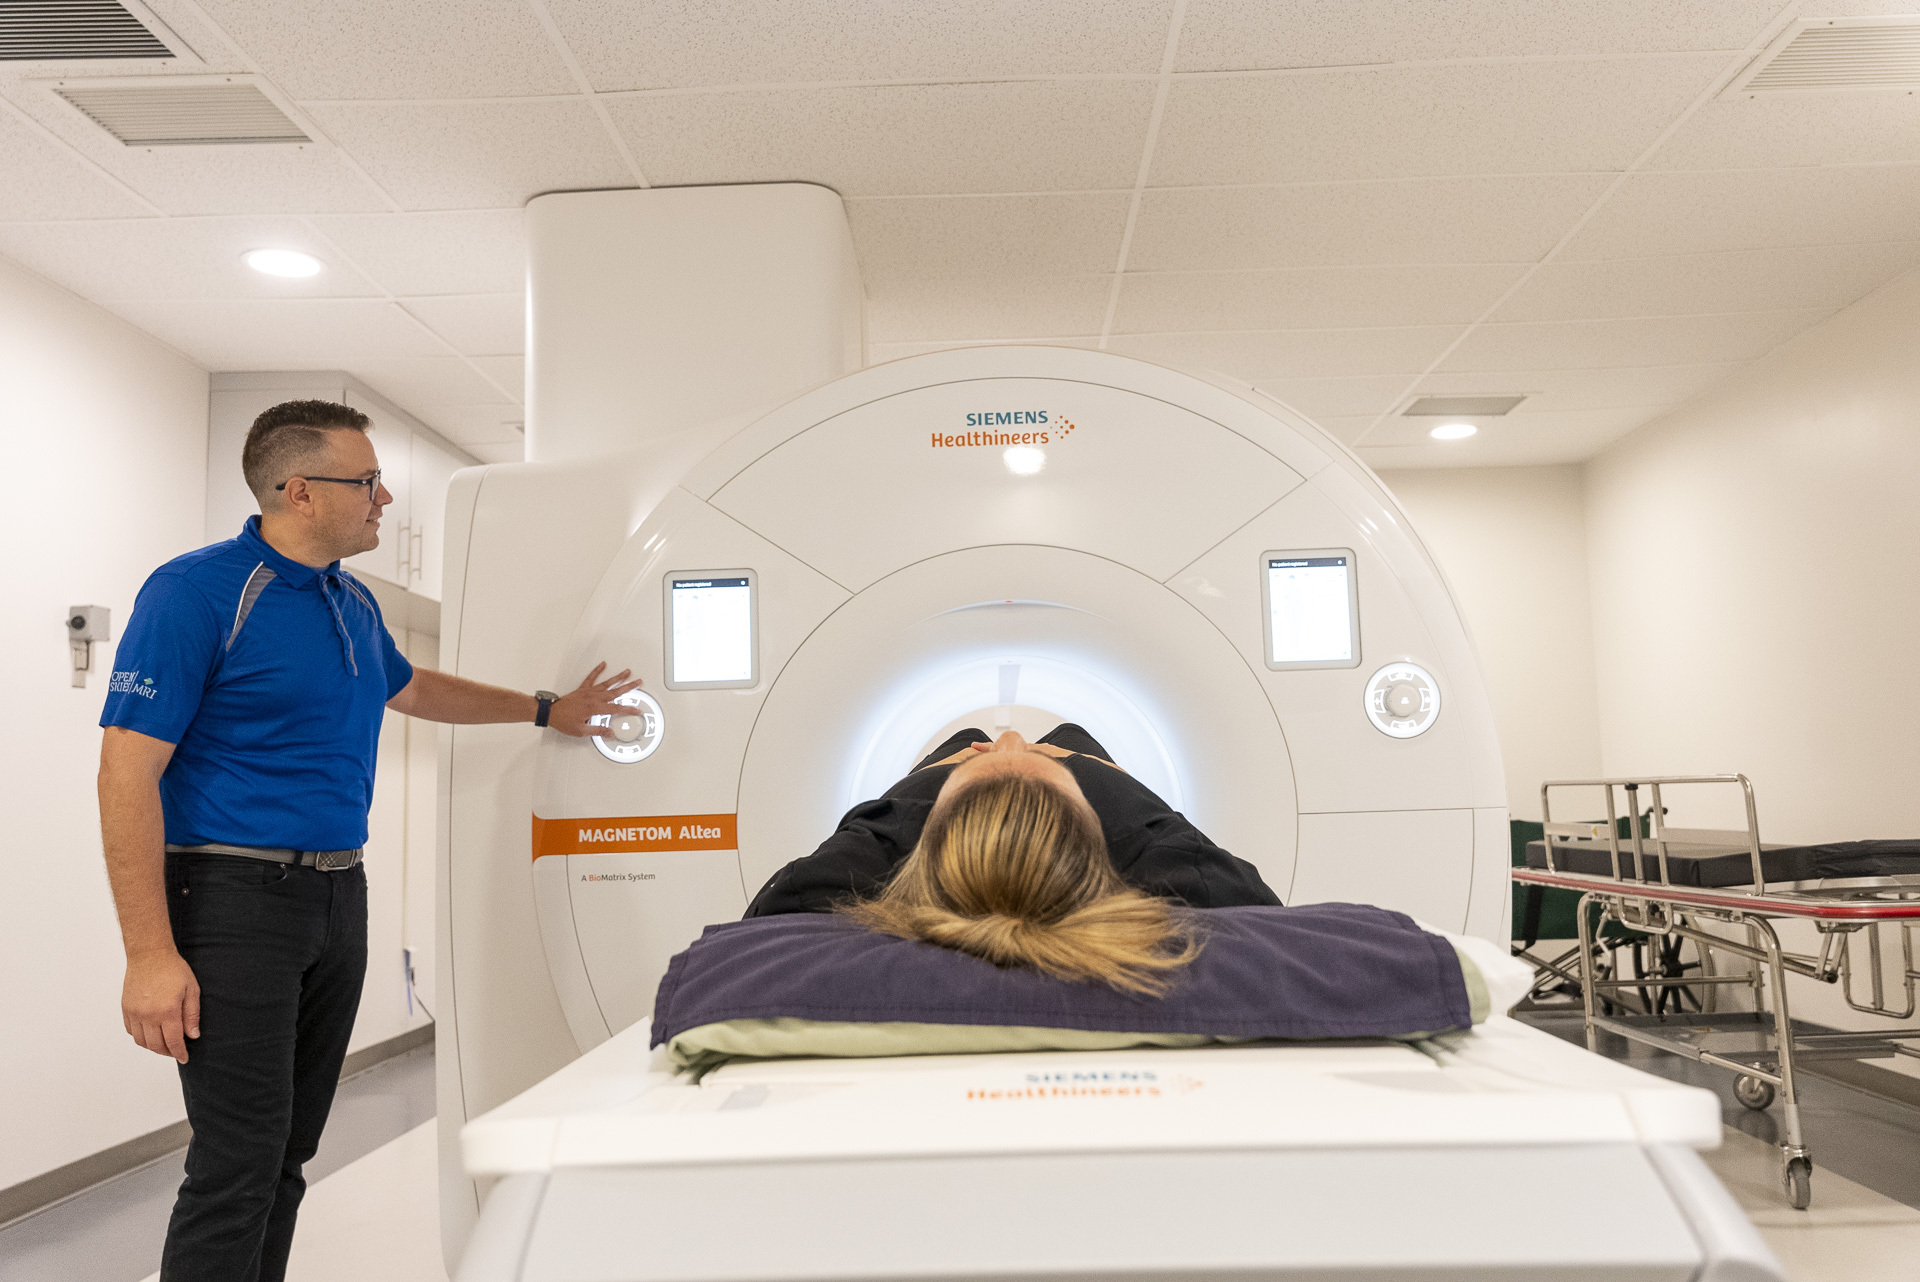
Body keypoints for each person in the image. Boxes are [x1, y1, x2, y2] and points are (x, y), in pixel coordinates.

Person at [97, 399, 637, 1282]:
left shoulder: (349, 602)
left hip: (336, 896)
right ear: (300, 490)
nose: (385, 499)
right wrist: (149, 953)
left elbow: (413, 688)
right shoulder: (198, 592)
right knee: (237, 1158)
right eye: (369, 482)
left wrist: (548, 709)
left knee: (287, 1153)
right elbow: (125, 775)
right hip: (230, 899)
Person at [747, 724, 1280, 989]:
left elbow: (776, 911)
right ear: (1110, 852)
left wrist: (920, 786)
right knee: (1071, 737)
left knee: (966, 738)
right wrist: (1112, 783)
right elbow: (1245, 900)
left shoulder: (812, 908)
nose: (1012, 738)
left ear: (918, 849)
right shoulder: (1193, 890)